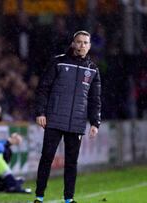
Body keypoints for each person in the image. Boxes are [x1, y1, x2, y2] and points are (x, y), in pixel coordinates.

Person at [33, 30, 101, 203]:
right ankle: (39, 197)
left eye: (85, 43)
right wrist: (40, 112)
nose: (82, 46)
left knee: (71, 163)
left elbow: (95, 99)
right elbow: (43, 88)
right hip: (54, 119)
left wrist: (95, 122)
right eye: (79, 42)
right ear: (73, 43)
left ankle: (69, 199)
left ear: (90, 46)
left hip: (77, 122)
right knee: (46, 158)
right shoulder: (58, 62)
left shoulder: (92, 69)